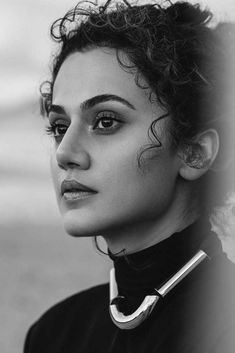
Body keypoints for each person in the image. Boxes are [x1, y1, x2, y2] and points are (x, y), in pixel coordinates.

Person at [24, 1, 235, 352]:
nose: (64, 153)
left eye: (106, 121)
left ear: (195, 152)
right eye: (59, 127)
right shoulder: (54, 333)